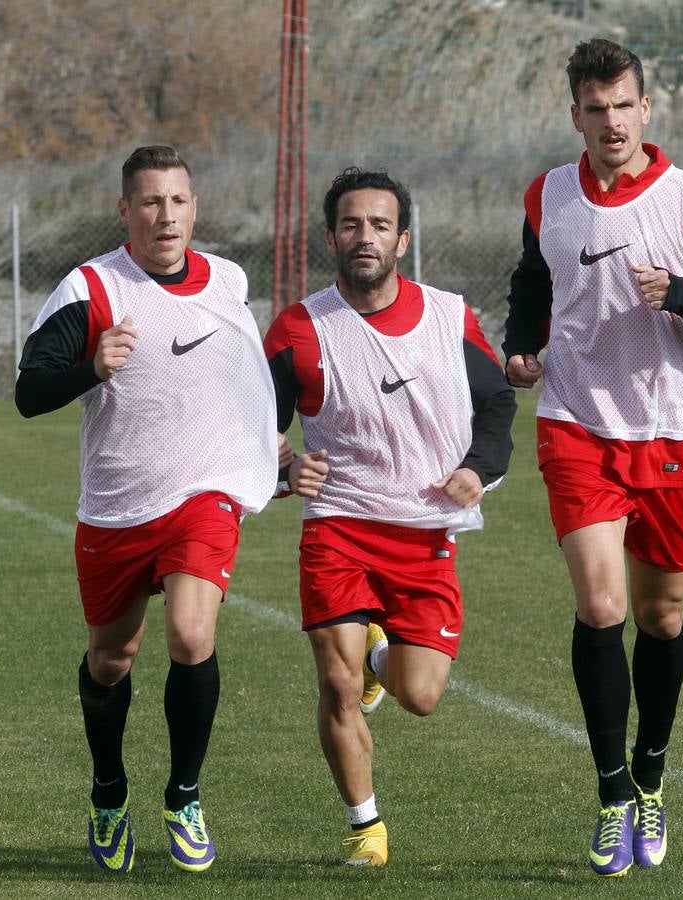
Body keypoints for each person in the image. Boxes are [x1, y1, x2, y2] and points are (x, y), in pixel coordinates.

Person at [502, 38, 683, 878]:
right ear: (575, 115)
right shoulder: (546, 194)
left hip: (667, 436)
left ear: (645, 110)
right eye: (595, 109)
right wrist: (523, 344)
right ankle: (612, 794)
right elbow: (531, 280)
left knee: (659, 618)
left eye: (623, 106)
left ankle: (652, 776)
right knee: (599, 606)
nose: (611, 122)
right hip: (575, 425)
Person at [15, 146, 278, 874]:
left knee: (192, 637)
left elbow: (243, 375)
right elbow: (29, 392)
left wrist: (269, 446)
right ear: (124, 210)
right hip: (116, 506)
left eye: (179, 201)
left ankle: (184, 797)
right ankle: (108, 791)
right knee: (111, 658)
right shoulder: (90, 287)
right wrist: (90, 367)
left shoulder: (228, 279)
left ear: (195, 208)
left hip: (204, 494)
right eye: (151, 202)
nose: (166, 215)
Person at [265, 168, 516, 867]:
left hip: (426, 529)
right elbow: (249, 421)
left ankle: (385, 658)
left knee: (420, 695)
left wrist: (477, 468)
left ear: (403, 239)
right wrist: (285, 469)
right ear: (330, 237)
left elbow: (496, 403)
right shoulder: (298, 328)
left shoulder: (448, 315)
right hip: (337, 528)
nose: (364, 237)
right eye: (351, 225)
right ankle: (364, 828)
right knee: (336, 683)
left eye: (379, 225)